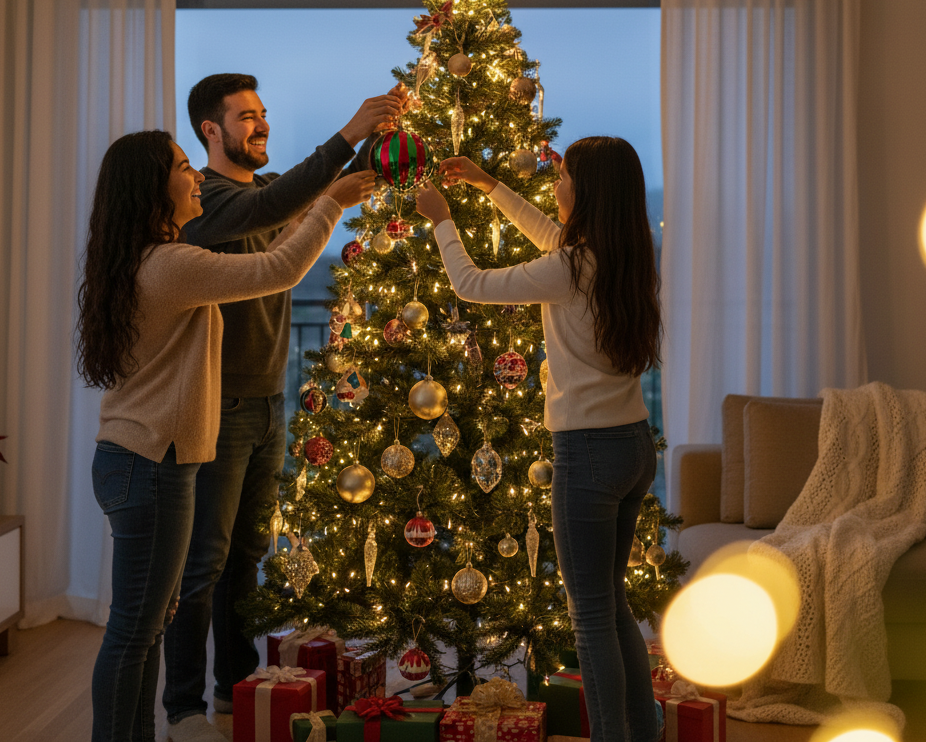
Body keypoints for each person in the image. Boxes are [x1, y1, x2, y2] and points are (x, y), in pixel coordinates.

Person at [76, 129, 376, 742]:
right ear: (153, 189)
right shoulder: (171, 265)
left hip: (138, 457)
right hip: (150, 462)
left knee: (147, 625)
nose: (197, 180)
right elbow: (279, 269)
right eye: (184, 168)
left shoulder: (149, 256)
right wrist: (332, 203)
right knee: (136, 628)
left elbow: (268, 255)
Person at [163, 74, 404, 741]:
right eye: (246, 117)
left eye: (263, 114)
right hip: (220, 405)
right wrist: (348, 133)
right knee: (203, 563)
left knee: (245, 559)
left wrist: (383, 136)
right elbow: (302, 199)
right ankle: (182, 706)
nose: (260, 125)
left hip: (268, 403)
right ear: (210, 130)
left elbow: (314, 195)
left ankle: (231, 693)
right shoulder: (208, 201)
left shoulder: (263, 197)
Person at [415, 138, 664, 742]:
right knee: (612, 600)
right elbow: (549, 234)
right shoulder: (620, 254)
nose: (557, 185)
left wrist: (443, 220)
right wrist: (485, 183)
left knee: (591, 616)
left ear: (588, 192)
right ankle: (643, 730)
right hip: (633, 446)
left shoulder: (574, 265)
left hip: (588, 452)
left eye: (565, 177)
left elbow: (471, 284)